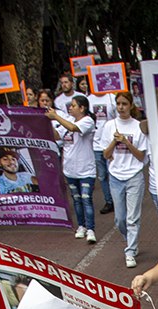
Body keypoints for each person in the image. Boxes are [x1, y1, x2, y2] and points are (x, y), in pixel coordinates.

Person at [94, 92, 148, 269]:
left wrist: (126, 142)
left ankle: (130, 251)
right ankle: (130, 240)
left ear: (131, 105)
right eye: (118, 104)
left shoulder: (138, 126)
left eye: (124, 104)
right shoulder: (109, 126)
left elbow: (141, 156)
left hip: (134, 176)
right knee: (120, 219)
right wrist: (114, 142)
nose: (121, 107)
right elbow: (105, 154)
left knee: (132, 218)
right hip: (116, 177)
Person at [48, 95, 98, 242]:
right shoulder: (67, 121)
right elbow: (57, 136)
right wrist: (48, 123)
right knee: (76, 199)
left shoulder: (87, 121)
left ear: (82, 108)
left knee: (86, 199)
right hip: (70, 170)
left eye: (74, 105)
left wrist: (56, 117)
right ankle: (81, 226)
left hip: (86, 169)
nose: (70, 108)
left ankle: (91, 229)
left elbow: (73, 128)